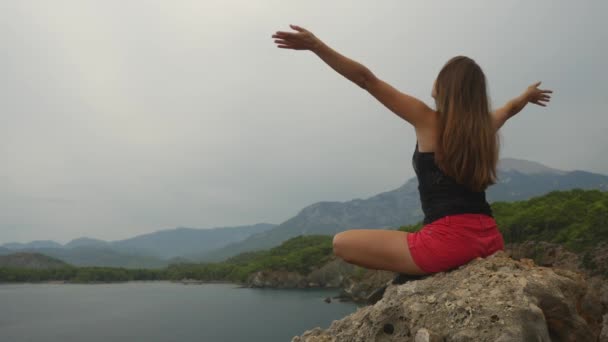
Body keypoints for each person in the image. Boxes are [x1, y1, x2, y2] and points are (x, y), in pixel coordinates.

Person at [271, 24, 552, 275]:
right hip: (490, 237)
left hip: (448, 242)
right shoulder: (483, 127)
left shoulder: (427, 120)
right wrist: (526, 95)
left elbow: (367, 80)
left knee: (341, 242)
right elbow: (510, 109)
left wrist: (317, 46)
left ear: (445, 86)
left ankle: (422, 272)